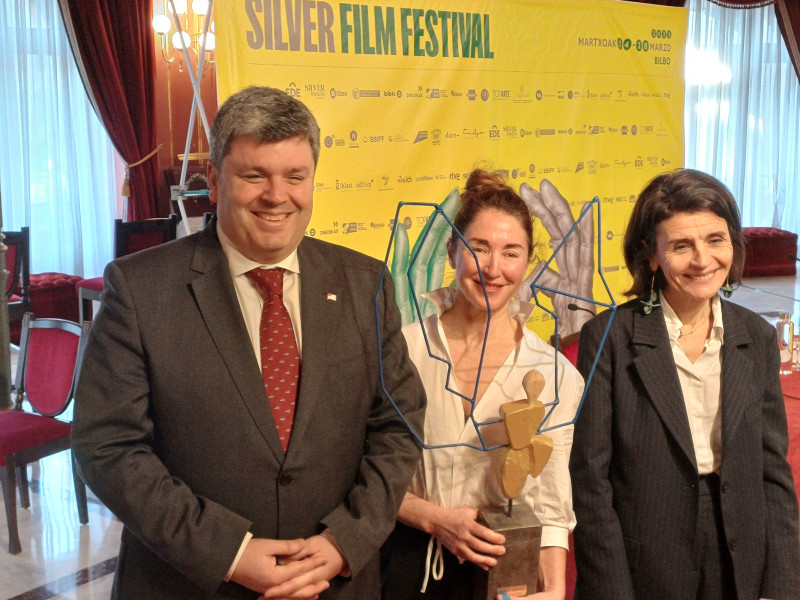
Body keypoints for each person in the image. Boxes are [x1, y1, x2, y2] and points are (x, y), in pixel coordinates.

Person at [71, 86, 426, 600]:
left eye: (295, 177)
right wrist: (229, 553)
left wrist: (347, 539)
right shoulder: (139, 290)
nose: (277, 195)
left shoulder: (364, 283)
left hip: (335, 581)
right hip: (190, 584)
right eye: (255, 175)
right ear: (215, 180)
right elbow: (107, 447)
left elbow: (399, 422)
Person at [570, 168, 800, 600]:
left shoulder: (758, 336)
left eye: (716, 240)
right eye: (681, 246)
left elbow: (774, 473)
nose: (702, 260)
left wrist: (783, 584)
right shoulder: (611, 338)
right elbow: (590, 483)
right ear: (651, 254)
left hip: (740, 553)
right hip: (648, 561)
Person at [381, 169, 584, 600]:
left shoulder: (553, 372)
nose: (494, 268)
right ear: (453, 251)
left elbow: (551, 498)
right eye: (479, 248)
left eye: (511, 253)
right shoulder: (403, 350)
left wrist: (553, 587)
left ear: (527, 262)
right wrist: (433, 519)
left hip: (503, 569)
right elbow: (365, 470)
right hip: (404, 561)